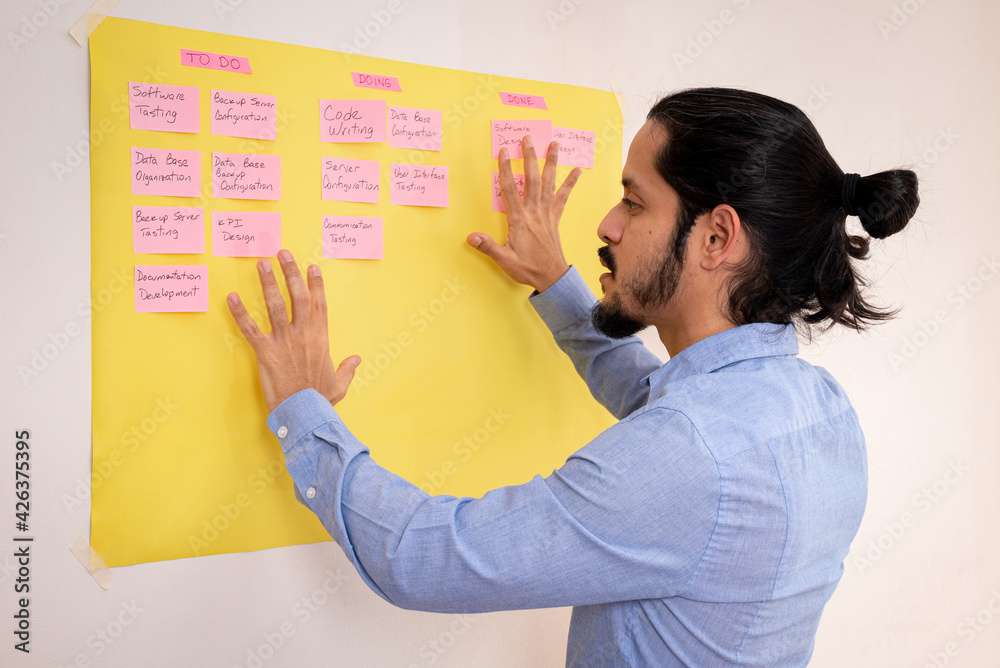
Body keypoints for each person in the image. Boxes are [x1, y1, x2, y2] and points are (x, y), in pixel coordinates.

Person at [226, 87, 919, 667]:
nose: (608, 224)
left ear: (716, 237)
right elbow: (652, 400)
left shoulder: (689, 456)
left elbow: (425, 557)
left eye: (635, 201)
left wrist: (302, 408)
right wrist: (559, 283)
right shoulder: (817, 409)